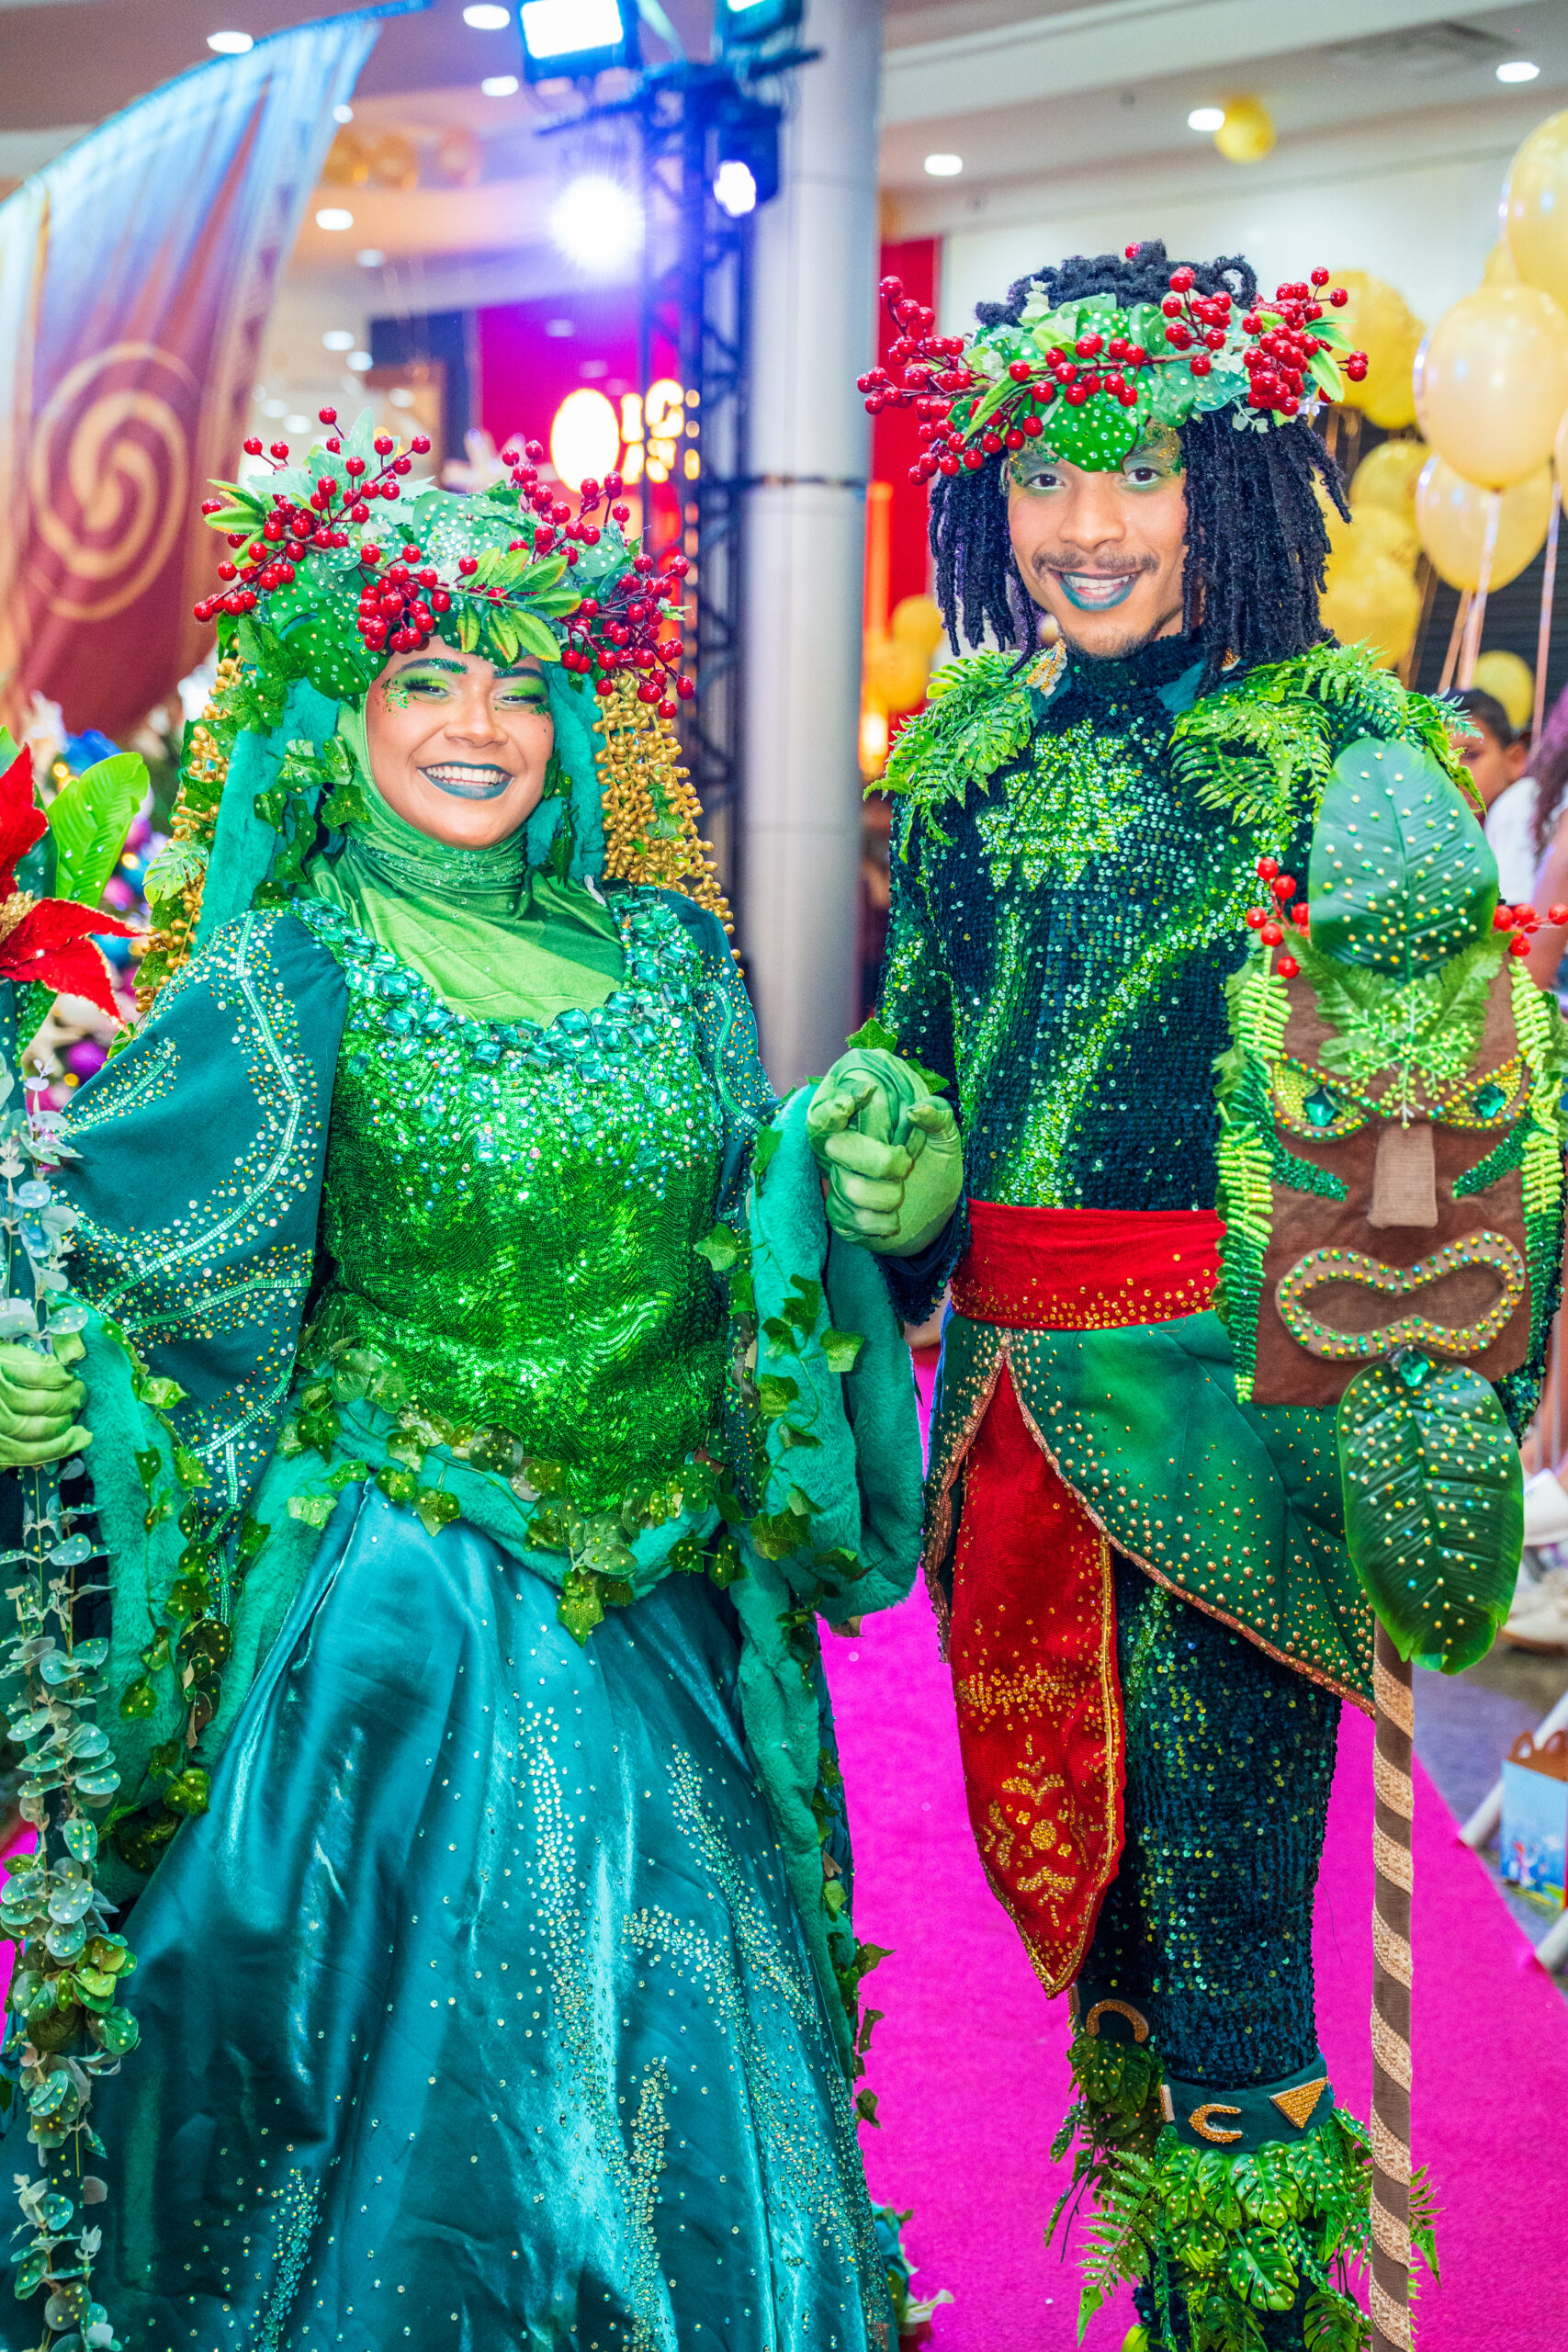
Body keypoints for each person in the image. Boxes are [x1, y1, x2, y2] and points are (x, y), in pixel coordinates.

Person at [0, 422, 959, 2351]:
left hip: (671, 1621)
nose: (477, 726)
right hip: (398, 1631)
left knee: (696, 2098)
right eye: (427, 676)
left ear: (574, 719)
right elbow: (106, 1242)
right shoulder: (291, 970)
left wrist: (882, 1193)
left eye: (519, 685)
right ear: (339, 710)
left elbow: (746, 1239)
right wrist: (39, 1358)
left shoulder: (677, 959)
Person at [814, 245, 1559, 2352]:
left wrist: (1422, 1400)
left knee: (1232, 1957)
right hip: (1003, 1432)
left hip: (1235, 1435)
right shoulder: (956, 762)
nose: (1081, 525)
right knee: (1105, 1949)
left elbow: (1433, 1118)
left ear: (1221, 475)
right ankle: (1171, 2292)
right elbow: (918, 1079)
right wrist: (887, 1179)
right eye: (1040, 477)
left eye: (1130, 470)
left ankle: (1249, 2316)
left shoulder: (1336, 751)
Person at [1454, 685, 1533, 900]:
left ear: (1514, 760)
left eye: (1470, 755)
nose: (1454, 773)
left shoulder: (1518, 802)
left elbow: (1511, 912)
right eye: (1439, 761)